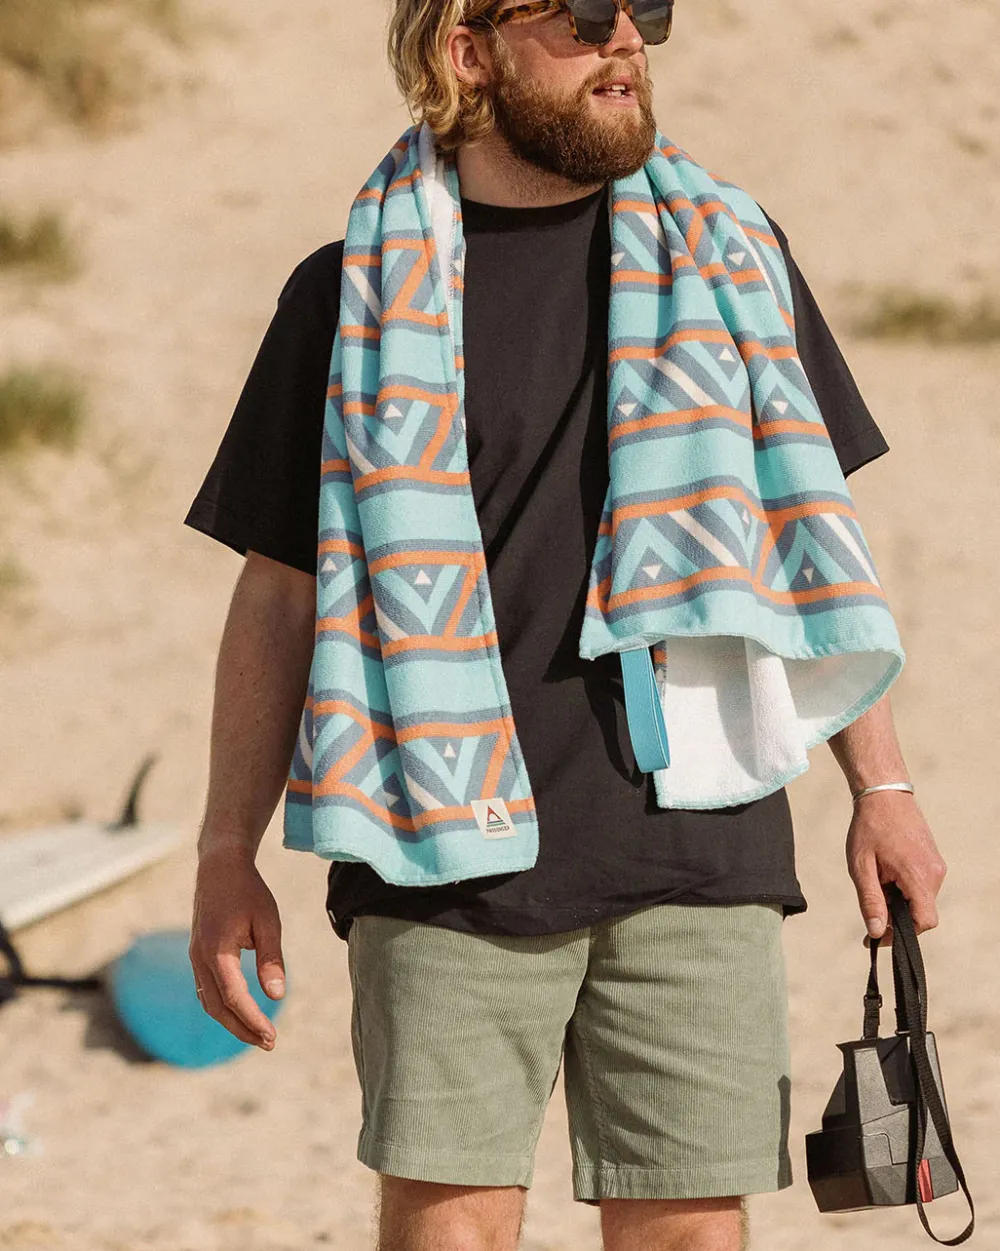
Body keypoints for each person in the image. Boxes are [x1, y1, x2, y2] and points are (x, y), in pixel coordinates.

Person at [186, 2, 948, 1248]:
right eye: (587, 14)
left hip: (696, 832)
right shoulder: (347, 296)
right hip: (435, 845)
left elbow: (804, 541)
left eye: (645, 12)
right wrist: (229, 847)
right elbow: (279, 589)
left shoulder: (730, 258)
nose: (627, 38)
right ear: (468, 50)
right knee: (453, 1229)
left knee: (690, 1232)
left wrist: (885, 787)